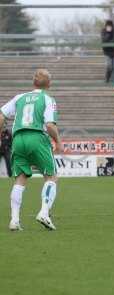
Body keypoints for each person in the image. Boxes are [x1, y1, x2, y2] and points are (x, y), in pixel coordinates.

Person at [0, 69, 62, 231]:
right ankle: (44, 212)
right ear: (49, 84)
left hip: (18, 139)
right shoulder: (48, 99)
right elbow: (49, 125)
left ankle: (14, 220)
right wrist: (58, 141)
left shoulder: (19, 97)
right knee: (51, 177)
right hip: (37, 137)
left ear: (33, 82)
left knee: (20, 179)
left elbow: (1, 116)